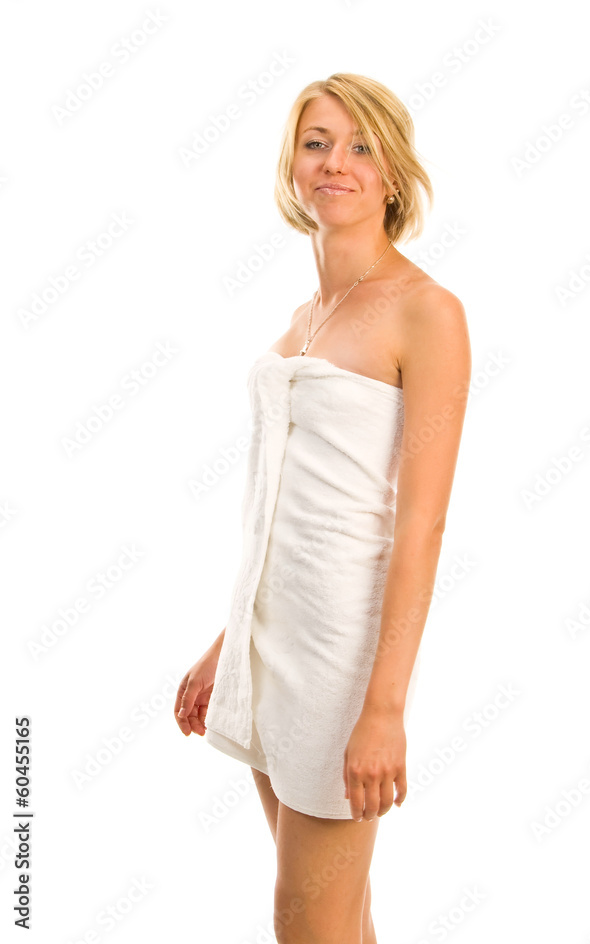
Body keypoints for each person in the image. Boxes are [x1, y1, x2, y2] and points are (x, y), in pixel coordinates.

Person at [174, 72, 471, 944]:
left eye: (361, 146)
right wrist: (227, 642)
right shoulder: (304, 314)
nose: (335, 162)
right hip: (268, 645)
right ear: (292, 165)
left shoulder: (426, 312)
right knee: (339, 919)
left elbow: (421, 526)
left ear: (393, 174)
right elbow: (284, 510)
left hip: (342, 659)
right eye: (316, 143)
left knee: (305, 921)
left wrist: (383, 709)